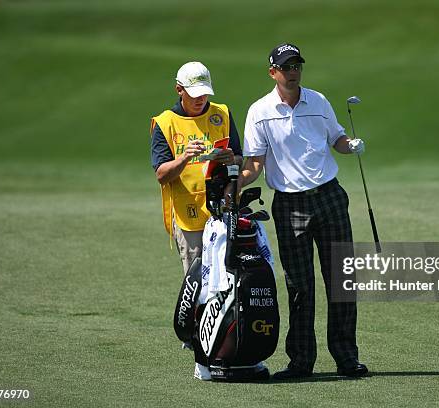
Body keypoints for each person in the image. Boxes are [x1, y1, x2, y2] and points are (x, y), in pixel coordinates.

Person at [238, 43, 368, 379]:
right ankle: (301, 362)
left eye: (297, 65)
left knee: (341, 281)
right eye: (286, 67)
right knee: (299, 286)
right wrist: (237, 183)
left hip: (329, 197)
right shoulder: (260, 111)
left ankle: (346, 358)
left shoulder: (319, 101)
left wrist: (349, 145)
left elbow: (336, 138)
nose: (293, 71)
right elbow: (254, 163)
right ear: (273, 72)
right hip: (289, 204)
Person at [150, 61, 243, 274]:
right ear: (179, 90)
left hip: (224, 207)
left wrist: (232, 160)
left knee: (228, 275)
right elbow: (162, 175)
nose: (201, 99)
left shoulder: (222, 113)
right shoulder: (165, 123)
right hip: (188, 214)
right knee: (197, 279)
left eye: (204, 93)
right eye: (194, 94)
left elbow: (239, 159)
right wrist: (184, 158)